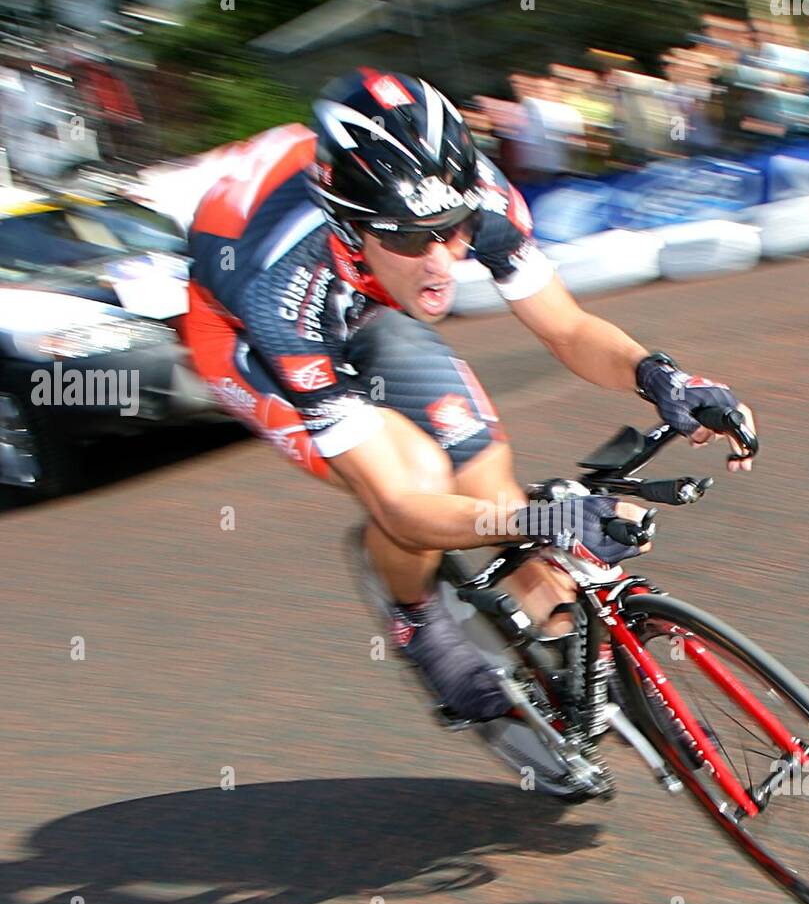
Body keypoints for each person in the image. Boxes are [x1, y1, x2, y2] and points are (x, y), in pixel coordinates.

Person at [180, 67, 756, 726]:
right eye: (407, 237)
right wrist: (545, 523)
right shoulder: (281, 286)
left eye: (453, 229)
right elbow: (402, 505)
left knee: (489, 487)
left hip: (367, 301)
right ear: (349, 227)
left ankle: (574, 652)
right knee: (420, 478)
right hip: (240, 334)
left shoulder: (474, 191)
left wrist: (662, 378)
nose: (440, 261)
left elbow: (566, 328)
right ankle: (414, 618)